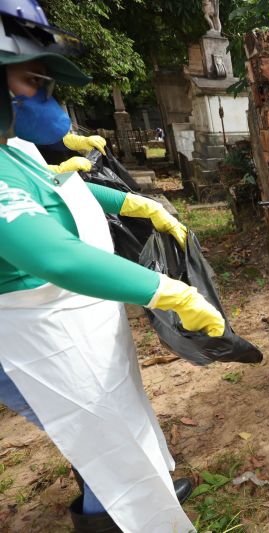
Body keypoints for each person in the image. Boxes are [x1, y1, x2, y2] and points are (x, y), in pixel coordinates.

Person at [0, 3, 225, 531]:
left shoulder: (11, 149)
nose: (46, 96)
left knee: (113, 419)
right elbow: (52, 254)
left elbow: (60, 187)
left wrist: (133, 204)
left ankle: (145, 490)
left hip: (68, 321)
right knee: (96, 435)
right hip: (32, 337)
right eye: (33, 80)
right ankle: (116, 518)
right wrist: (170, 292)